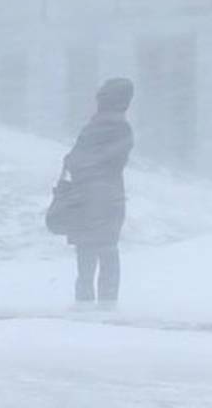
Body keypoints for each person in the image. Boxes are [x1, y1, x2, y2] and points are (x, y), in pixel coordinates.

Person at [62, 78, 135, 309]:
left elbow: (74, 160)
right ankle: (107, 304)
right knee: (107, 250)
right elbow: (110, 160)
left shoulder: (93, 128)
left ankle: (85, 304)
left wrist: (82, 165)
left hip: (85, 196)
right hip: (108, 196)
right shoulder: (121, 129)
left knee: (87, 252)